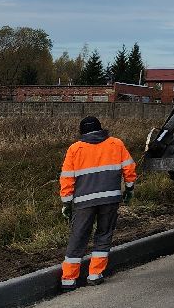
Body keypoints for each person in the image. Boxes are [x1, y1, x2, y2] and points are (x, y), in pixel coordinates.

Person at [58, 116, 137, 289]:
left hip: (83, 202)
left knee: (78, 237)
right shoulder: (116, 144)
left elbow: (67, 178)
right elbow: (129, 168)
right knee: (104, 234)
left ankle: (68, 279)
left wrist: (66, 203)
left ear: (82, 132)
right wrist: (129, 189)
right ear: (101, 129)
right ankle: (94, 274)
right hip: (110, 199)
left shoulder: (75, 149)